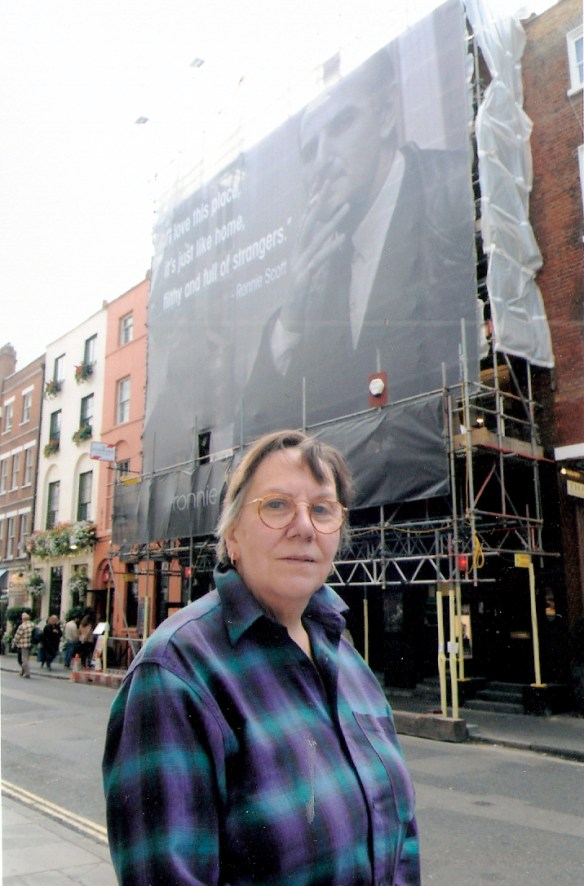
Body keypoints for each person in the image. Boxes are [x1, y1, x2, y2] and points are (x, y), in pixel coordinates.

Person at [103, 430, 420, 885]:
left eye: (323, 509)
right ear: (232, 534)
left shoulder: (347, 658)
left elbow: (400, 837)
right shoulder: (176, 675)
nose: (305, 527)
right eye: (276, 505)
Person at [239, 46, 475, 435]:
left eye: (342, 125)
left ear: (385, 116)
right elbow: (257, 431)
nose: (324, 158)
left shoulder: (452, 184)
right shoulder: (318, 269)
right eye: (310, 150)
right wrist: (292, 312)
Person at [13, 612, 34, 678]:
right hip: (30, 644)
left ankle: (27, 673)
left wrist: (13, 643)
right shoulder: (32, 624)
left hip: (22, 644)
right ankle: (22, 671)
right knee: (26, 658)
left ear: (23, 619)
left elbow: (17, 636)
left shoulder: (22, 626)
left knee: (23, 659)